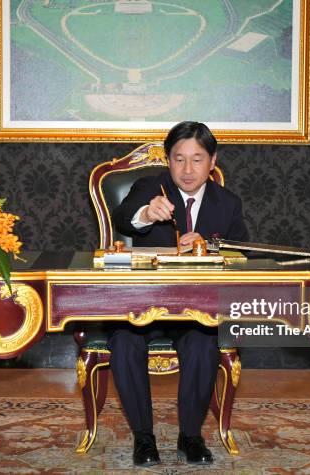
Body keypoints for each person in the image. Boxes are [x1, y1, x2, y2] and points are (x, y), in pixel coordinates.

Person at [111, 121, 248, 466]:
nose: (187, 170)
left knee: (204, 342)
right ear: (168, 160)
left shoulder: (227, 203)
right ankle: (144, 439)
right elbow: (124, 219)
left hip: (197, 310)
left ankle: (191, 437)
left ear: (213, 161)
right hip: (145, 305)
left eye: (197, 159)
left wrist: (209, 245)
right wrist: (146, 213)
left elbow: (242, 252)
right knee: (123, 340)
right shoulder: (148, 187)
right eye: (179, 159)